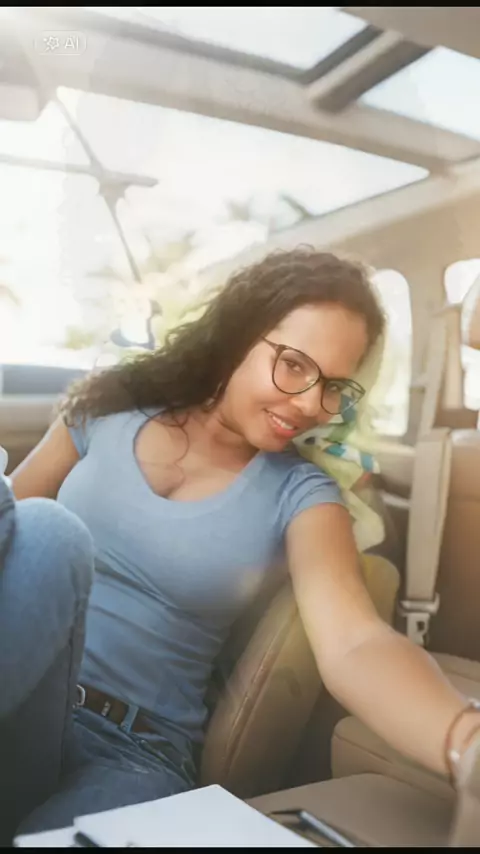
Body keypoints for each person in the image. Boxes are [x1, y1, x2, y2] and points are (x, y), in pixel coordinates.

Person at [1, 247, 478, 840]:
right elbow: (13, 537)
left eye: (333, 386)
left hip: (133, 750)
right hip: (26, 699)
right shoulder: (108, 407)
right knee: (48, 535)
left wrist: (467, 741)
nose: (311, 404)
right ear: (237, 334)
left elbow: (356, 642)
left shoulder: (303, 494)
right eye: (295, 365)